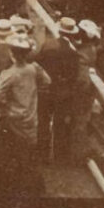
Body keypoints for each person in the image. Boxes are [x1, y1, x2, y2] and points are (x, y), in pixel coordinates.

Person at [0, 34, 50, 195]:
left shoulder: (9, 74)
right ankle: (33, 185)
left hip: (13, 117)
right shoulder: (34, 68)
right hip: (31, 115)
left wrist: (5, 106)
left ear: (12, 53)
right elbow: (47, 81)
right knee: (29, 151)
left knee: (13, 151)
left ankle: (15, 184)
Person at [33, 17, 80, 162]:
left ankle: (43, 154)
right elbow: (73, 75)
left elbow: (38, 64)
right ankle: (61, 155)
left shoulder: (47, 45)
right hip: (62, 92)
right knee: (61, 123)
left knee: (43, 121)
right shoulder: (72, 51)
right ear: (72, 34)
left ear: (59, 30)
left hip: (46, 90)